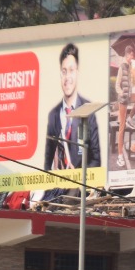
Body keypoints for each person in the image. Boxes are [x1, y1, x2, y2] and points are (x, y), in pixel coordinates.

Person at [44, 43, 101, 174]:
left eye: (71, 70)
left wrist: (78, 175)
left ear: (77, 73)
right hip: (58, 188)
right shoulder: (53, 115)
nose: (67, 77)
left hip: (80, 189)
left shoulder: (88, 111)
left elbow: (96, 159)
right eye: (64, 71)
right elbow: (47, 161)